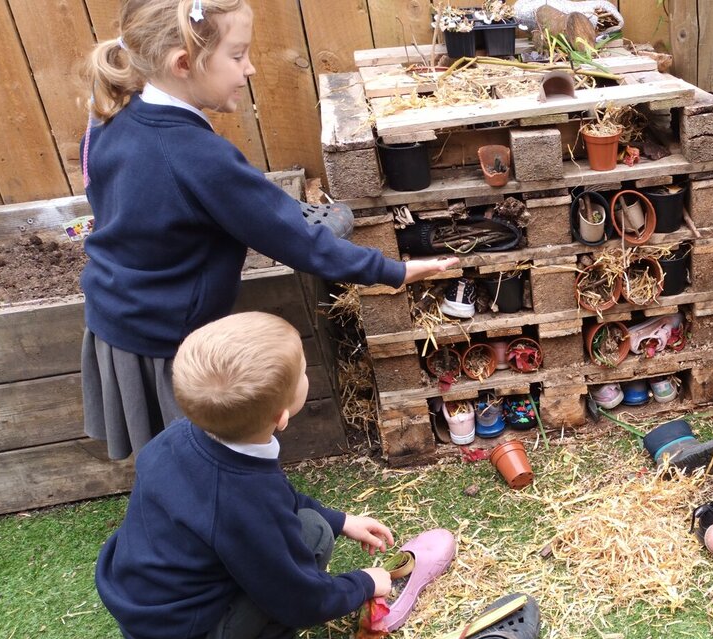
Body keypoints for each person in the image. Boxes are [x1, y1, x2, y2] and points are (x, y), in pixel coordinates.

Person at [80, 0, 455, 459]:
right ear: (183, 64)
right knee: (202, 465)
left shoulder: (112, 118)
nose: (251, 67)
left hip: (115, 313)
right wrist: (393, 271)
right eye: (237, 56)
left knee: (164, 458)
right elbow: (293, 241)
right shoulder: (199, 156)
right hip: (169, 337)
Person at [95, 313, 395, 639]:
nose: (307, 375)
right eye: (304, 372)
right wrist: (364, 584)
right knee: (312, 536)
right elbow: (299, 597)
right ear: (282, 417)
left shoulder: (178, 437)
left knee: (315, 525)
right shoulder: (242, 498)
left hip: (150, 618)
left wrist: (342, 520)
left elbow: (272, 499)